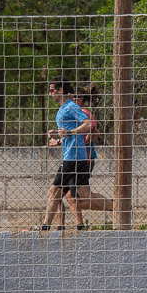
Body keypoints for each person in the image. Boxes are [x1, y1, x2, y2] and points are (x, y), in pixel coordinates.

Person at [33, 80, 90, 231]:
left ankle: (45, 227)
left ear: (60, 90)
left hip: (73, 157)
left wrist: (70, 132)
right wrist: (57, 140)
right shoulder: (61, 109)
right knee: (84, 196)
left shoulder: (71, 106)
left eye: (52, 90)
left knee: (53, 191)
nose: (50, 93)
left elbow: (88, 124)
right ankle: (117, 206)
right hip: (73, 155)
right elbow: (67, 135)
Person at [65, 84, 114, 222]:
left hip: (84, 158)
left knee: (82, 196)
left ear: (78, 99)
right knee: (70, 196)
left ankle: (118, 207)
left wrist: (84, 141)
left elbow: (95, 131)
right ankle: (79, 226)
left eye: (70, 98)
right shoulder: (72, 113)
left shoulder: (84, 112)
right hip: (73, 158)